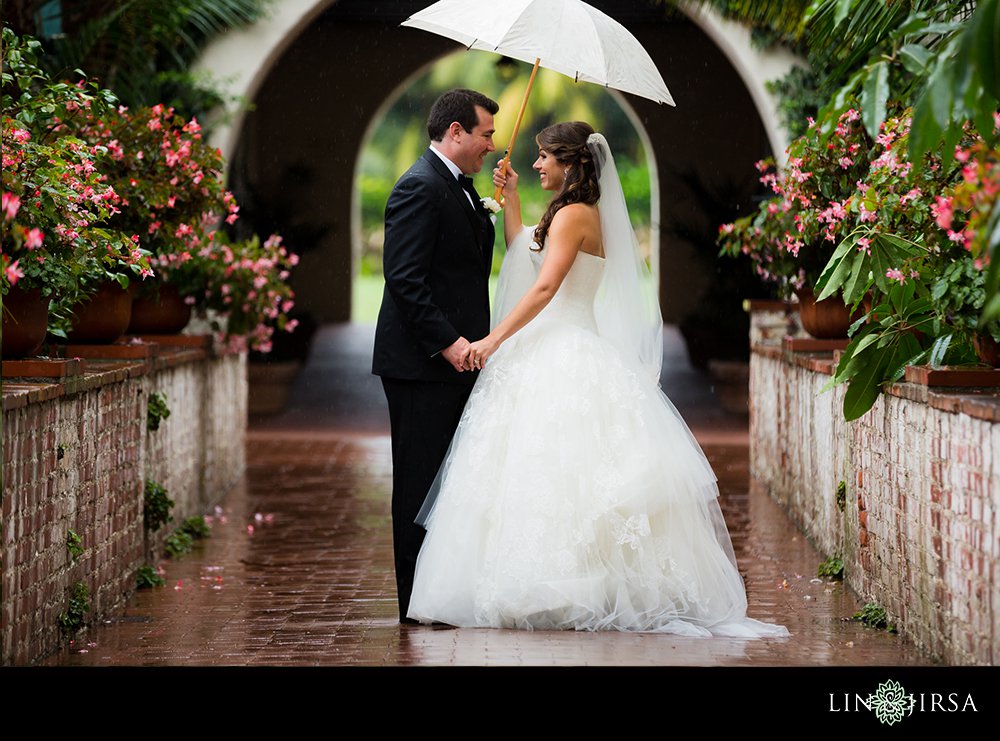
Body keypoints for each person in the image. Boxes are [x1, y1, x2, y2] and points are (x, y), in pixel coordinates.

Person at [406, 121, 789, 637]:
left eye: (544, 157)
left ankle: (561, 589)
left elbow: (543, 288)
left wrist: (491, 342)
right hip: (555, 346)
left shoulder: (573, 215)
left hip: (561, 351)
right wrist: (513, 200)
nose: (537, 164)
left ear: (570, 162)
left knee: (556, 471)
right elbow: (526, 250)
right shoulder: (572, 214)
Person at [372, 89, 498, 623]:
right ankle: (415, 605)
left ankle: (439, 592)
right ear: (455, 132)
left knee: (450, 483)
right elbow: (404, 278)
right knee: (421, 485)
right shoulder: (419, 187)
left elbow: (465, 267)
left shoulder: (460, 188)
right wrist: (450, 344)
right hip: (422, 366)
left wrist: (497, 206)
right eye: (486, 134)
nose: (491, 144)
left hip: (456, 363)